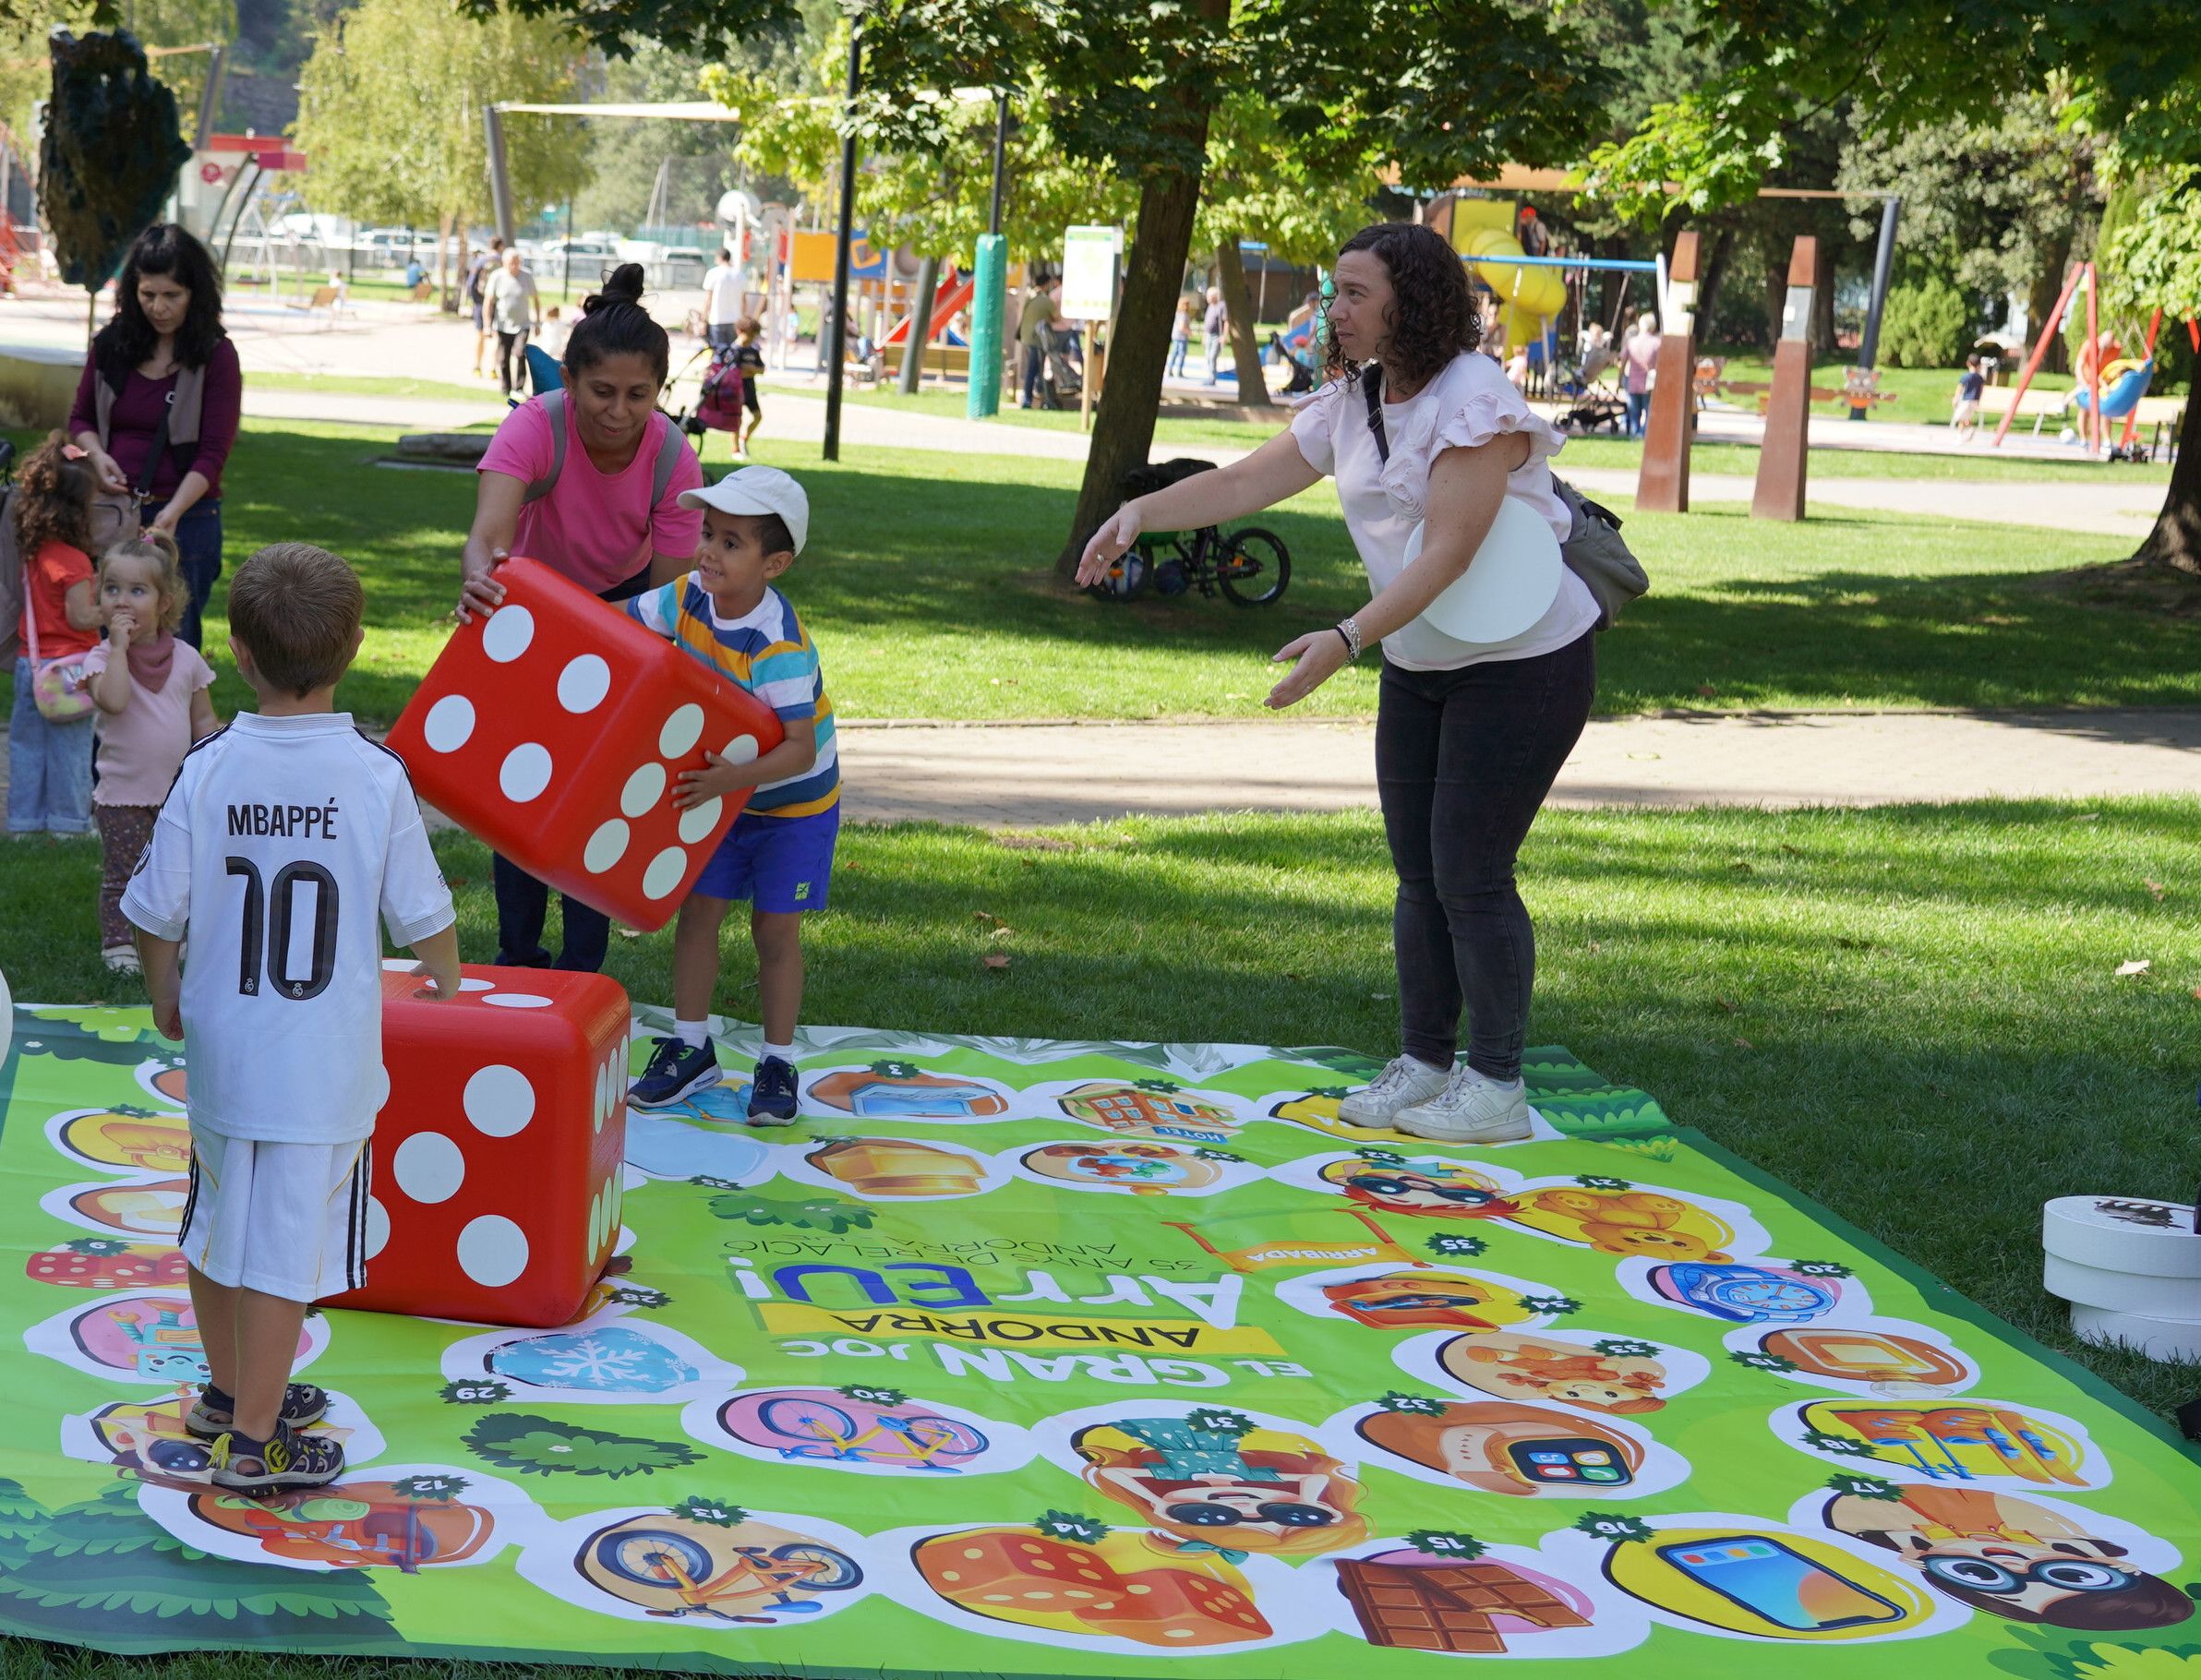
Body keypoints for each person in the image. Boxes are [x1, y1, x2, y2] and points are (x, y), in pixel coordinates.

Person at [1077, 222, 1599, 1146]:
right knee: (1417, 876)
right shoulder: (1352, 400)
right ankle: (1427, 1062)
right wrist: (1137, 516)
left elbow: (1447, 550)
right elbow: (1243, 482)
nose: (1334, 310)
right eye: (1333, 292)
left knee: (1469, 873)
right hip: (1419, 664)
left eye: (1355, 293)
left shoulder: (1472, 399)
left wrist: (1344, 637)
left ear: (1415, 301)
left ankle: (1496, 1084)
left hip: (1522, 667)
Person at [123, 543, 460, 1495]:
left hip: (227, 1055)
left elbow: (155, 909)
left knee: (216, 1215)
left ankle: (230, 1393)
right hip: (321, 1067)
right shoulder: (373, 774)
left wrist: (163, 992)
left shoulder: (209, 765)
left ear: (235, 649)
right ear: (351, 649)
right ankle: (256, 1444)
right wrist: (446, 976)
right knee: (280, 1248)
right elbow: (424, 913)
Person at [457, 262, 706, 974]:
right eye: (602, 391)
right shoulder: (535, 426)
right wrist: (482, 581)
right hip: (533, 605)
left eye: (639, 395)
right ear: (567, 382)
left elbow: (669, 602)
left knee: (596, 789)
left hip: (626, 606)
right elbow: (488, 538)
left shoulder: (672, 457)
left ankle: (582, 966)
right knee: (521, 788)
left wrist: (639, 675)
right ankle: (517, 954)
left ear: (659, 392)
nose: (619, 411)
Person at [621, 467, 838, 1122]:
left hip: (792, 806)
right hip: (726, 789)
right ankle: (690, 1049)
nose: (709, 551)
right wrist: (525, 604)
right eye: (708, 533)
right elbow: (613, 622)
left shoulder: (777, 646)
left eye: (732, 543)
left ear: (775, 563)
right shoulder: (686, 595)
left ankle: (776, 1062)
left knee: (775, 932)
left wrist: (722, 783)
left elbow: (798, 749)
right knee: (699, 916)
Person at [69, 223, 241, 649]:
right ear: (133, 291)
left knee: (173, 644)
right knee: (110, 639)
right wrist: (97, 457)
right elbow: (80, 419)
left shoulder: (216, 355)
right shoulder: (112, 345)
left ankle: (176, 718)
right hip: (113, 513)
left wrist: (173, 513)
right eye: (148, 295)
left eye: (172, 296)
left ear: (194, 294)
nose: (158, 307)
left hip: (188, 520)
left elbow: (212, 453)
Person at [83, 530, 219, 970]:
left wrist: (208, 771)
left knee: (177, 873)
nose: (122, 601)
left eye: (137, 591)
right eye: (112, 589)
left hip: (176, 795)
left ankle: (171, 938)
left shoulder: (187, 658)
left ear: (164, 603)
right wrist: (119, 649)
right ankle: (120, 943)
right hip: (122, 795)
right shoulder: (100, 660)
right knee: (124, 873)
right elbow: (115, 700)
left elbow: (202, 721)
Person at [7, 436, 103, 836]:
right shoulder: (75, 560)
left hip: (30, 665)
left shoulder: (36, 551)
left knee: (27, 747)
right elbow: (80, 617)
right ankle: (69, 824)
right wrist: (112, 613)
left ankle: (24, 822)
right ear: (77, 510)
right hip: (69, 672)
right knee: (71, 750)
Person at [487, 248, 538, 398]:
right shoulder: (497, 277)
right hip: (503, 325)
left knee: (520, 352)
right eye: (511, 263)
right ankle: (506, 388)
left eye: (517, 263)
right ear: (504, 263)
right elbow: (488, 302)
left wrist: (537, 322)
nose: (515, 266)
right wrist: (487, 324)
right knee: (503, 358)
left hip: (523, 324)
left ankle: (519, 387)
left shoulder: (527, 276)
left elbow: (536, 299)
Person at [466, 236, 505, 378]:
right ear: (500, 246)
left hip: (481, 302)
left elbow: (471, 284)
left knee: (480, 335)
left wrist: (477, 302)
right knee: (497, 336)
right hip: (498, 304)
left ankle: (477, 366)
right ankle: (493, 369)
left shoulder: (481, 260)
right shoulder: (502, 261)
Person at [1017, 281, 1060, 408]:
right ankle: (1028, 399)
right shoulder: (1047, 302)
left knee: (1035, 368)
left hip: (1026, 337)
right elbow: (1056, 317)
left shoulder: (1031, 300)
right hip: (1037, 339)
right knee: (1034, 368)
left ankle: (1036, 393)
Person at [731, 316, 768, 457]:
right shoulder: (734, 350)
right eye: (750, 335)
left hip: (750, 388)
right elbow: (735, 371)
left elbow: (761, 369)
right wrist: (751, 369)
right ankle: (735, 449)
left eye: (754, 336)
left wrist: (749, 368)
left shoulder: (753, 350)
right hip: (736, 388)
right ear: (740, 331)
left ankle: (744, 438)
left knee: (758, 416)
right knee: (736, 419)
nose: (752, 338)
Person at [1621, 311, 1659, 438]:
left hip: (1633, 382)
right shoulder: (1657, 343)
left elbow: (1623, 361)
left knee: (1634, 412)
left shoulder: (1631, 342)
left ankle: (1634, 434)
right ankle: (1643, 434)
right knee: (1649, 412)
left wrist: (1619, 378)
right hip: (1649, 382)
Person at [703, 246, 742, 352]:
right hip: (735, 319)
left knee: (718, 353)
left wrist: (703, 317)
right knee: (732, 352)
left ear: (719, 257)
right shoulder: (739, 274)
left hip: (717, 318)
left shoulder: (713, 273)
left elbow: (708, 299)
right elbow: (744, 300)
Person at [1953, 354, 1986, 442]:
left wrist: (1955, 398)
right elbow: (1981, 389)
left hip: (1966, 400)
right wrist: (1979, 399)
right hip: (1974, 401)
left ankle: (1968, 430)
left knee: (1959, 417)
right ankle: (1960, 435)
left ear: (1968, 363)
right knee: (1965, 418)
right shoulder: (1980, 378)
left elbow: (1960, 388)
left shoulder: (1966, 376)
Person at [1202, 285, 1227, 383]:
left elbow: (1226, 322)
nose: (1207, 298)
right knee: (1208, 356)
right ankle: (1210, 376)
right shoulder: (1210, 307)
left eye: (1209, 296)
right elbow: (1207, 322)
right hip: (1208, 335)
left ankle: (1212, 379)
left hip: (1217, 335)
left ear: (1215, 296)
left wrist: (1224, 336)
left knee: (1213, 356)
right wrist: (1204, 336)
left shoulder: (1222, 306)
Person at [1168, 294, 1194, 378]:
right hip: (1181, 337)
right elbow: (1182, 327)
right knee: (1181, 354)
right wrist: (1189, 332)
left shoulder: (1178, 313)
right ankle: (1179, 371)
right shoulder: (1183, 315)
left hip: (1176, 335)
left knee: (1174, 353)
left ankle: (1170, 369)